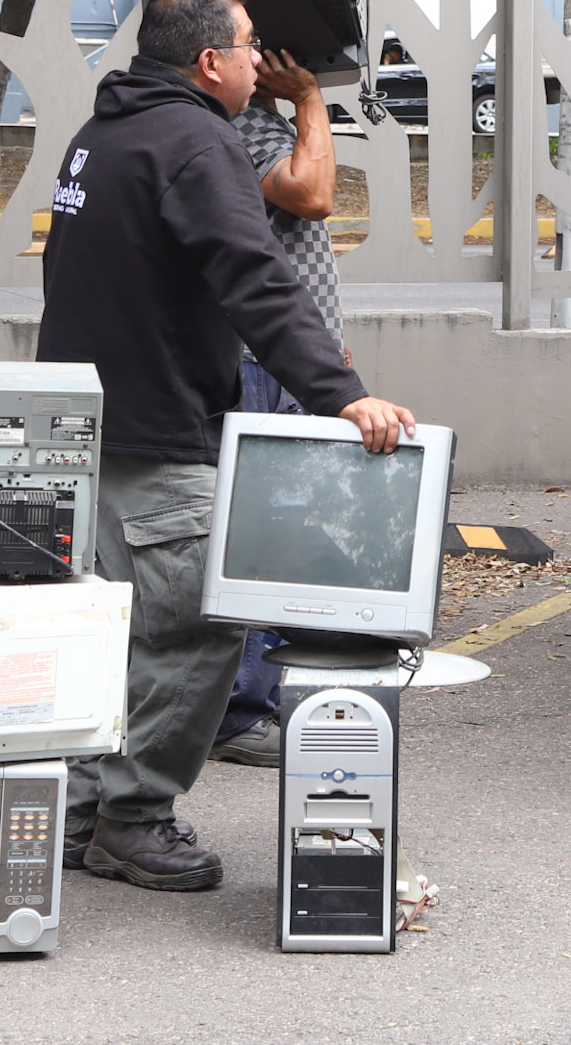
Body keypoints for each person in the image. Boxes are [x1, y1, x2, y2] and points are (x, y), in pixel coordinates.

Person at [39, 0, 414, 892]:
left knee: (122, 634)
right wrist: (342, 393)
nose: (259, 64)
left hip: (90, 428)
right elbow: (257, 279)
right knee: (196, 633)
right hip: (163, 431)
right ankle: (133, 816)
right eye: (249, 47)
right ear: (210, 62)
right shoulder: (198, 145)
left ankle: (88, 808)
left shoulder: (105, 133)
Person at [209, 48, 346, 771]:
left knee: (267, 531)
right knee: (272, 535)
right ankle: (241, 712)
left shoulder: (220, 126)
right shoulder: (248, 127)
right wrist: (310, 99)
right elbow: (311, 193)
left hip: (284, 359)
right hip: (267, 363)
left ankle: (243, 702)